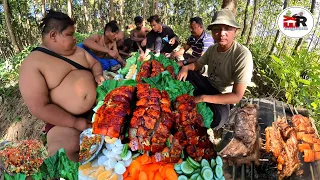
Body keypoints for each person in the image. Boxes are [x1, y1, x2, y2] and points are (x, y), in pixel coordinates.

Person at [19, 10, 105, 162]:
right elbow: (39, 107)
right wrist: (75, 122)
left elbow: (95, 63)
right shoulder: (31, 63)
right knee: (66, 152)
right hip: (64, 120)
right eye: (70, 34)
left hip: (99, 106)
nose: (74, 38)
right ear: (53, 35)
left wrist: (98, 75)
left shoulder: (78, 51)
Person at [177, 9, 253, 129]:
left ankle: (198, 99)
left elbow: (236, 96)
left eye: (227, 28)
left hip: (222, 95)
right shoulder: (212, 49)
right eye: (217, 29)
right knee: (184, 73)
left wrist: (203, 98)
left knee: (219, 118)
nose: (222, 33)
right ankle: (193, 97)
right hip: (208, 84)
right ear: (212, 32)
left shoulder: (242, 55)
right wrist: (186, 67)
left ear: (235, 31)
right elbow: (197, 65)